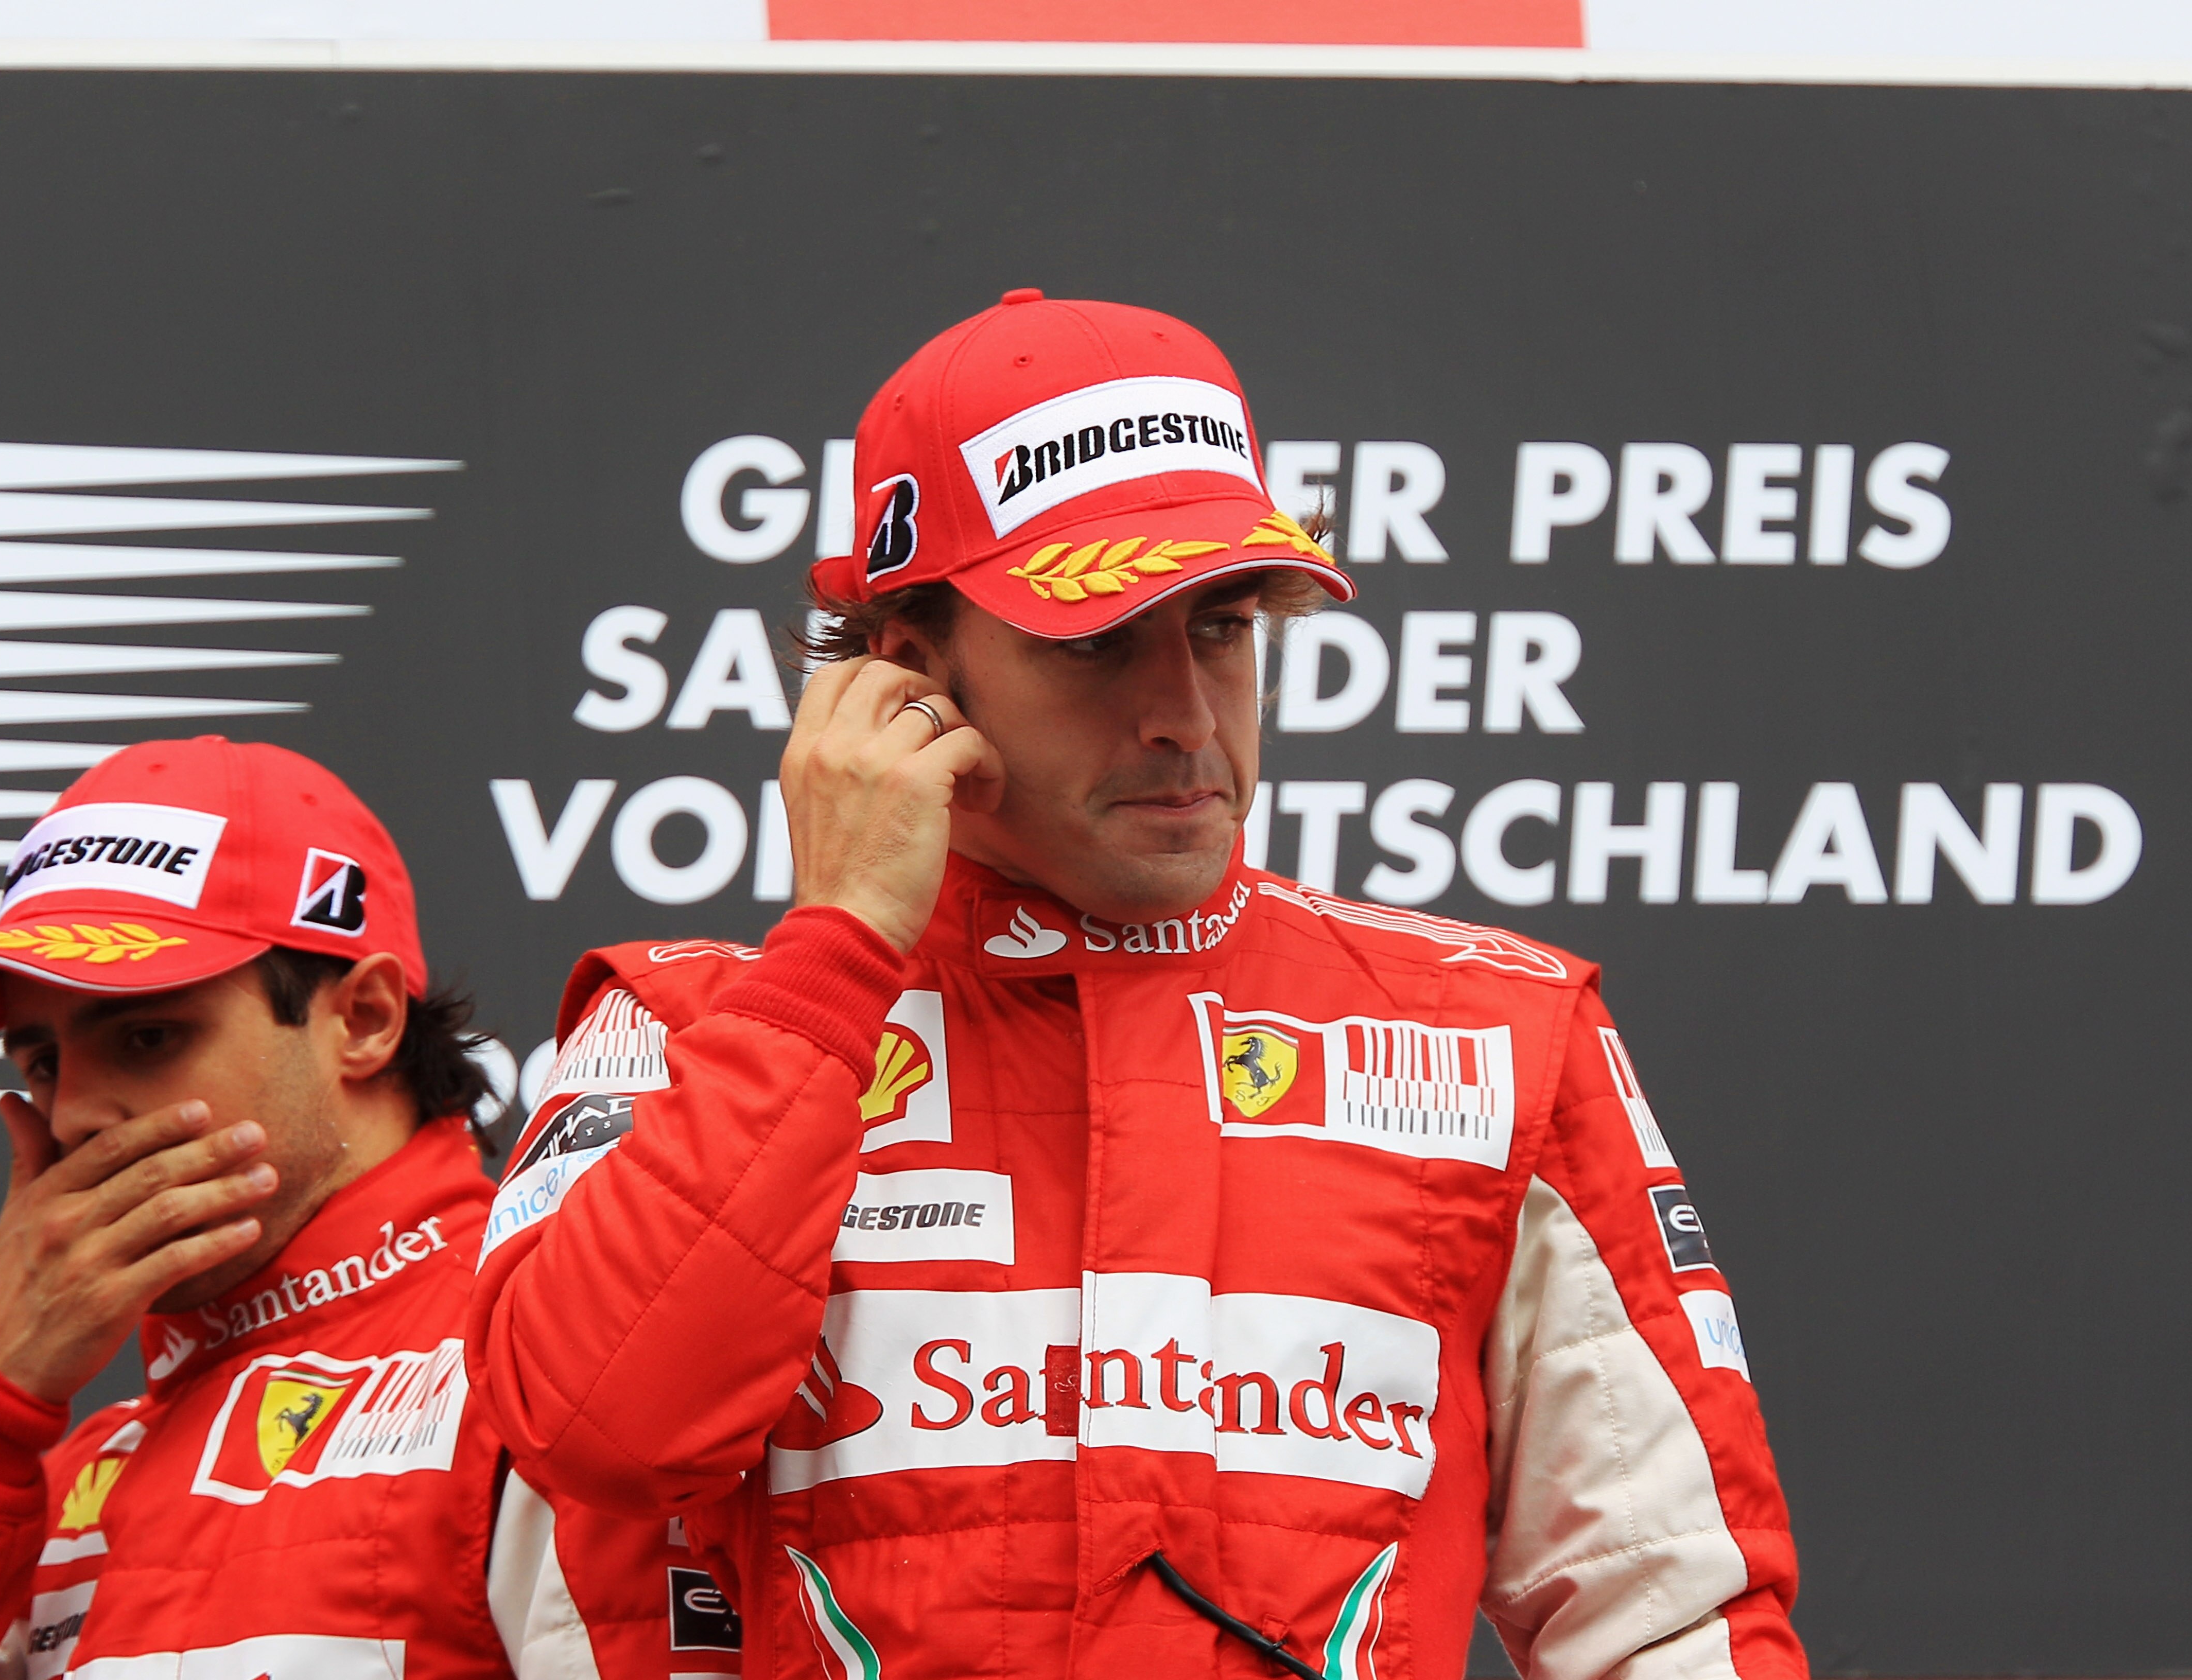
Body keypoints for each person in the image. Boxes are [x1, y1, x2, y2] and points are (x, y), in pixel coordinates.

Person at [469, 291, 1808, 1680]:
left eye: (1223, 627)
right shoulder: (681, 1027)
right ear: (912, 672)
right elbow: (601, 1435)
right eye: (1097, 641)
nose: (1184, 711)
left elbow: (1670, 1618)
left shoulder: (1498, 1033)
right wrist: (839, 952)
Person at [0, 737, 736, 1680]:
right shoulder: (49, 1481)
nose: (73, 1115)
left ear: (365, 1020)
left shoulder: (550, 1370)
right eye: (41, 1062)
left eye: (147, 1037)